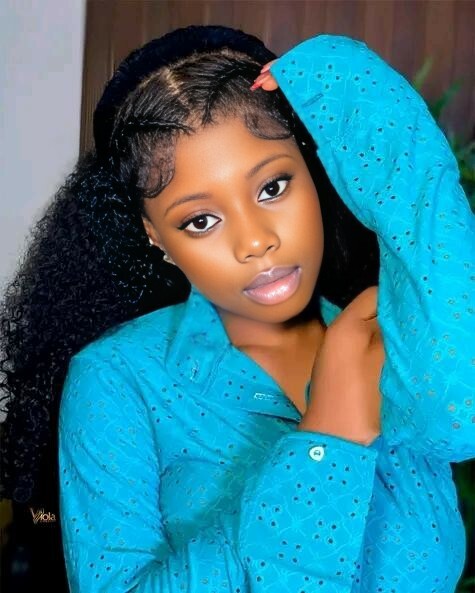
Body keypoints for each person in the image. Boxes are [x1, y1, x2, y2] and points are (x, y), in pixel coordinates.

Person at [1, 24, 473, 593]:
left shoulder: (386, 339)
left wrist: (344, 75)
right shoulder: (119, 379)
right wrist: (330, 435)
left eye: (273, 187)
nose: (255, 242)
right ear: (155, 237)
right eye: (201, 220)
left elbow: (462, 409)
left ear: (311, 173)